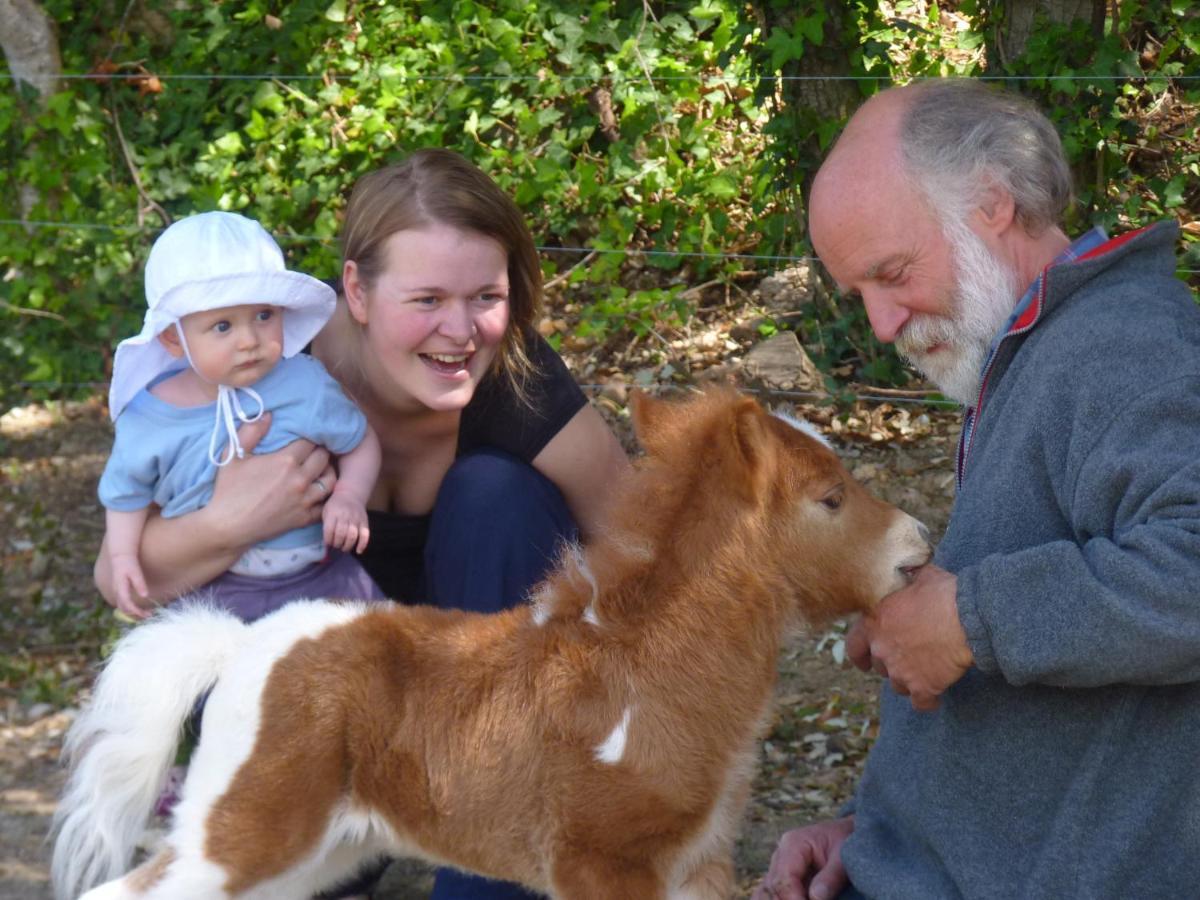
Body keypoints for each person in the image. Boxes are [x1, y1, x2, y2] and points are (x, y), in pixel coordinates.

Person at [94, 149, 630, 900]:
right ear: (357, 289)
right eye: (427, 300)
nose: (461, 330)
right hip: (326, 696)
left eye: (486, 296)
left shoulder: (517, 382)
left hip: (484, 703)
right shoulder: (264, 372)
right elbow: (125, 576)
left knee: (496, 497)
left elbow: (645, 551)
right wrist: (235, 521)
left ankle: (496, 871)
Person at [754, 79, 1200, 900]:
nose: (883, 324)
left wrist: (968, 618)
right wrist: (866, 827)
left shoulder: (1125, 347)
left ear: (993, 203)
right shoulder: (1030, 351)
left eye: (892, 273)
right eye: (862, 296)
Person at [99, 211, 383, 623]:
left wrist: (350, 496)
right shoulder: (149, 417)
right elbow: (126, 496)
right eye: (222, 326)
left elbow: (358, 439)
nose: (249, 340)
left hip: (320, 579)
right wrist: (125, 557)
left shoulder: (304, 384)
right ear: (173, 338)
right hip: (210, 592)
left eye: (264, 315)